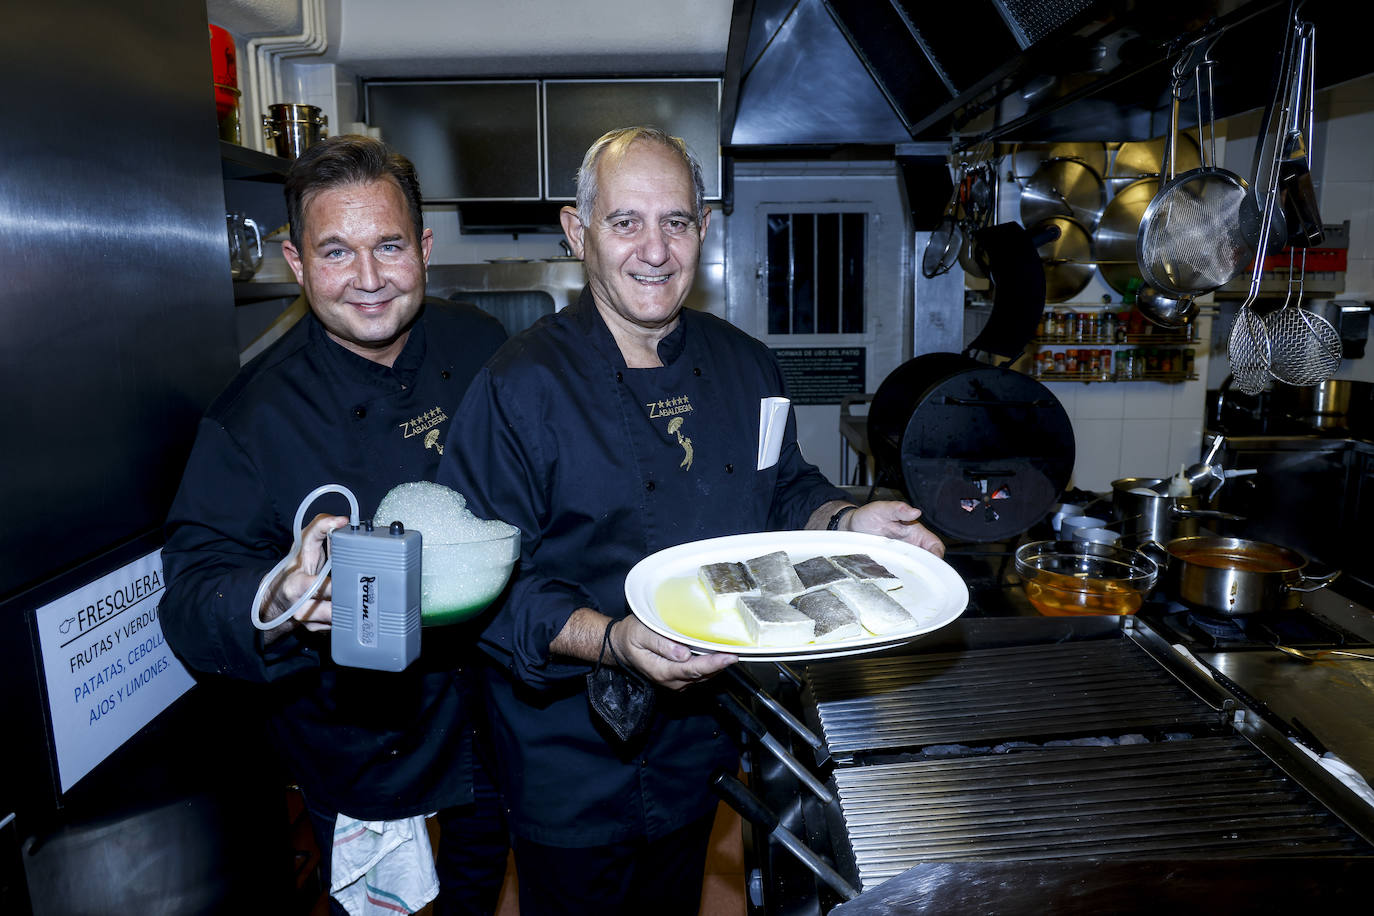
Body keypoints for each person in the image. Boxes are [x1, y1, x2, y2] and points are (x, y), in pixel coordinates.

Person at [437, 126, 944, 914]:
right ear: (579, 233)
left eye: (675, 221)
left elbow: (783, 491)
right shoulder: (518, 386)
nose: (655, 249)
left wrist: (847, 521)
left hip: (698, 735)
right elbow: (475, 582)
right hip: (566, 756)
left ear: (704, 232)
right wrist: (611, 640)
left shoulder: (746, 364)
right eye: (625, 221)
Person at [160, 135, 510, 915]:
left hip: (495, 710)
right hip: (363, 742)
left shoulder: (483, 346)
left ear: (423, 246)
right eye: (337, 252)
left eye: (389, 245)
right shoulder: (253, 416)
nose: (370, 279)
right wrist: (279, 589)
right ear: (295, 262)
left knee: (479, 886)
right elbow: (189, 594)